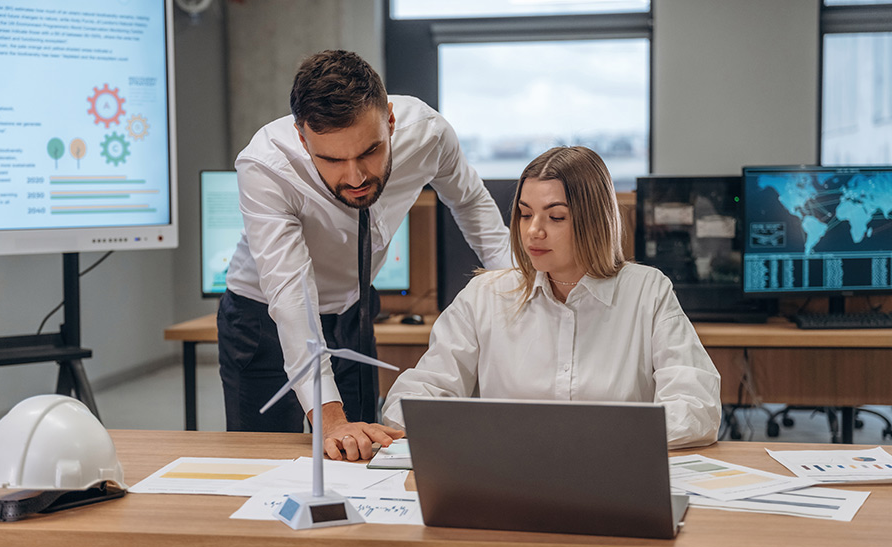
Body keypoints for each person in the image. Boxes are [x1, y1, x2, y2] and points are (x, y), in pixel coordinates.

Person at [219, 50, 512, 460]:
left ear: (390, 120)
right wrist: (329, 417)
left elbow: (471, 204)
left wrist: (521, 292)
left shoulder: (428, 134)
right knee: (265, 458)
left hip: (354, 312)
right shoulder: (267, 166)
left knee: (362, 454)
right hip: (263, 317)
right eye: (333, 160)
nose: (355, 177)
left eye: (370, 151)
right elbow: (291, 296)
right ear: (304, 139)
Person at [382, 146, 721, 448]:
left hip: (612, 474)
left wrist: (597, 437)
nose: (533, 231)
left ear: (593, 221)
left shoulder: (646, 291)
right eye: (525, 214)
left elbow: (697, 407)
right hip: (509, 477)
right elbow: (410, 400)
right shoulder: (485, 296)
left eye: (555, 217)